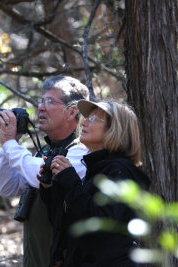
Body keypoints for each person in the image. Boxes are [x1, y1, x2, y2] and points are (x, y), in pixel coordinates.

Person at [39, 100, 151, 267]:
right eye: (87, 118)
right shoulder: (96, 168)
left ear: (115, 129)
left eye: (94, 119)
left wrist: (71, 181)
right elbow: (72, 223)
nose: (83, 122)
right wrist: (50, 190)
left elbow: (100, 223)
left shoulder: (120, 172)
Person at [0, 75, 90, 267]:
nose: (40, 108)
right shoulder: (45, 151)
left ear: (72, 112)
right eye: (41, 101)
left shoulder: (81, 150)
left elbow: (42, 176)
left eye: (49, 101)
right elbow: (7, 187)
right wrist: (8, 145)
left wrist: (10, 143)